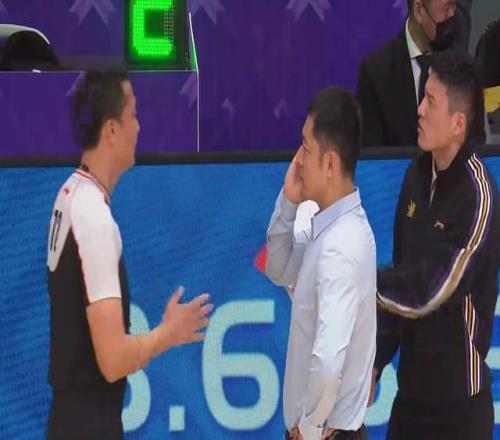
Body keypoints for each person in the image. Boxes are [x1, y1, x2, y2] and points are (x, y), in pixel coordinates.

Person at [46, 71, 212, 439]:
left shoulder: (69, 195)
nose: (138, 127)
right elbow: (113, 360)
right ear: (111, 130)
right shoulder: (92, 217)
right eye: (133, 116)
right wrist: (167, 334)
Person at [374, 49, 499, 439]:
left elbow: (430, 291)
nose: (420, 110)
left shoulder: (478, 196)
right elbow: (402, 276)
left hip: (459, 411)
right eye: (422, 97)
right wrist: (377, 359)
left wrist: (358, 280)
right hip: (409, 401)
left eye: (430, 101)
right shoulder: (415, 175)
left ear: (458, 123)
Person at [265, 86, 376, 440]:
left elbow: (329, 361)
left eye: (305, 148)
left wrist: (309, 430)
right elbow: (278, 268)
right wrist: (289, 201)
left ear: (329, 164)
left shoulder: (340, 247)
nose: (298, 159)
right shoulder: (325, 227)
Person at [356, 0, 459, 147]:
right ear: (419, 10)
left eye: (455, 6)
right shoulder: (375, 74)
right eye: (446, 8)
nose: (452, 15)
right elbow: (373, 155)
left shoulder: (463, 70)